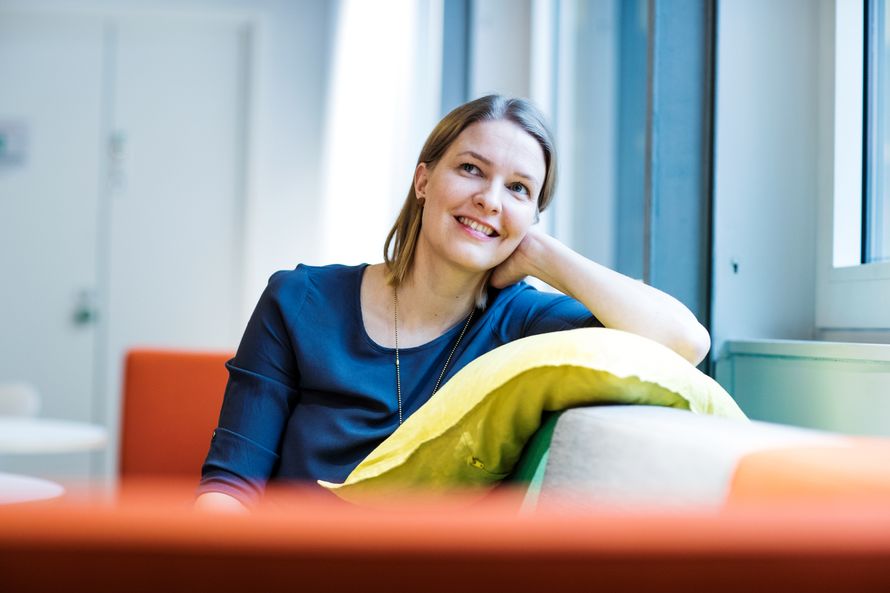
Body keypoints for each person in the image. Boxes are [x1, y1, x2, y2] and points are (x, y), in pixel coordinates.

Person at [195, 95, 710, 512]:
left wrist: (542, 254)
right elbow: (230, 487)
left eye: (518, 188)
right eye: (470, 168)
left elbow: (685, 342)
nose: (490, 198)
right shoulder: (300, 300)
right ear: (423, 181)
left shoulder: (524, 324)